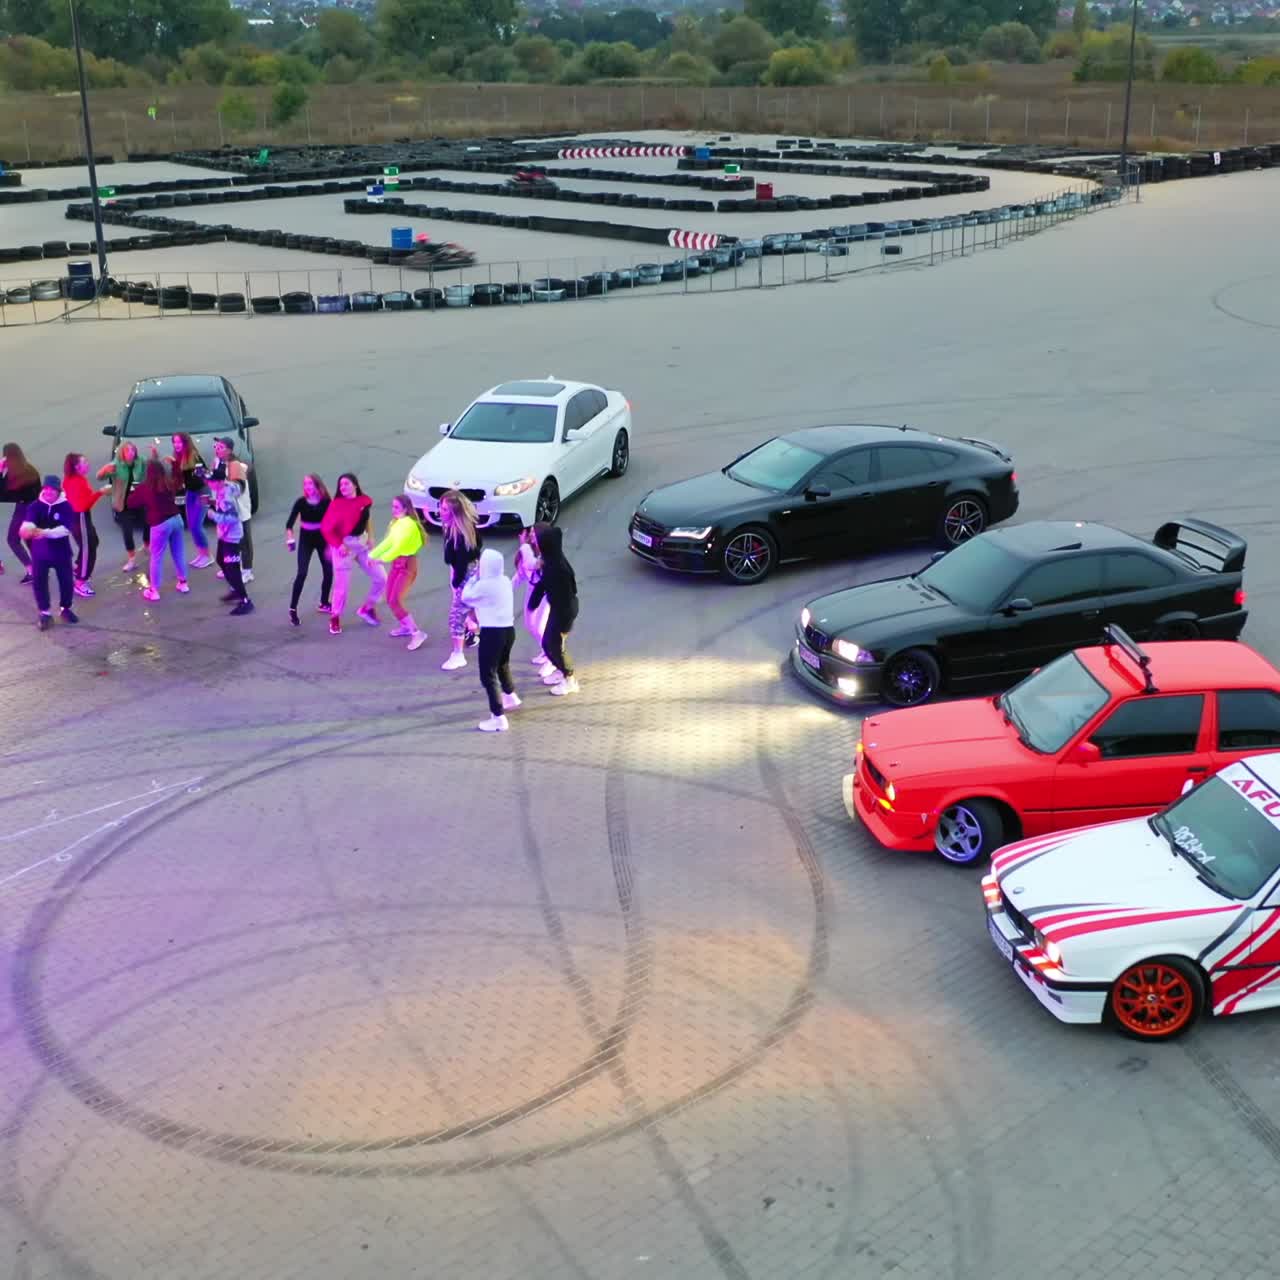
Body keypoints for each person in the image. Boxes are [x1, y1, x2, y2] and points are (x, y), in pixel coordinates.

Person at [462, 547, 520, 732]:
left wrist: (473, 577)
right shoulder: (503, 580)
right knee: (502, 665)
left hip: (492, 633)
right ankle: (510, 695)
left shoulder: (484, 585)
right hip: (508, 631)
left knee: (488, 675)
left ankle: (498, 717)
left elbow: (466, 596)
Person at [320, 473, 384, 636]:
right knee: (342, 586)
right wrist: (339, 546)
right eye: (341, 485)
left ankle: (367, 608)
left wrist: (370, 536)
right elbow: (327, 529)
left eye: (347, 483)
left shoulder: (364, 501)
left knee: (381, 578)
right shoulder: (336, 504)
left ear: (355, 485)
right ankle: (335, 617)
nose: (343, 487)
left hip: (362, 544)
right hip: (344, 547)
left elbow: (366, 520)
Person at [370, 495, 428, 651]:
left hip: (407, 565)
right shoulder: (396, 523)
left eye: (396, 507)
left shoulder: (408, 525)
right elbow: (388, 542)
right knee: (389, 598)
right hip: (397, 564)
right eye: (392, 506)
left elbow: (399, 547)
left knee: (395, 600)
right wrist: (372, 555)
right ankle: (405, 626)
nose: (393, 510)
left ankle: (416, 633)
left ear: (405, 508)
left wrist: (381, 559)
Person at [19, 475, 78, 630]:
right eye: (46, 489)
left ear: (59, 491)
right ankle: (45, 613)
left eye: (52, 489)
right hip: (40, 553)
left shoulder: (66, 506)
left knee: (66, 581)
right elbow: (28, 524)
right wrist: (25, 529)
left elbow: (64, 530)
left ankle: (66, 608)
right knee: (39, 583)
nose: (48, 492)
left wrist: (43, 532)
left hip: (61, 552)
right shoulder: (35, 506)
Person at [127, 457, 189, 601]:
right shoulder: (168, 483)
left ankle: (154, 590)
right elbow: (179, 478)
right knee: (178, 553)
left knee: (156, 557)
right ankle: (183, 583)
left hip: (160, 524)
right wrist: (174, 463)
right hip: (177, 519)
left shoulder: (145, 488)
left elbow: (131, 503)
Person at [529, 523, 580, 696]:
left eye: (534, 537)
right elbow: (544, 585)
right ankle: (561, 672)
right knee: (548, 644)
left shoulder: (556, 566)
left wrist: (536, 600)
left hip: (564, 611)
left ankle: (569, 679)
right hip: (560, 609)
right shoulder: (551, 559)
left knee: (555, 646)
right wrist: (535, 601)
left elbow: (550, 585)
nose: (532, 540)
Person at [439, 489, 483, 671]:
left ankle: (458, 654)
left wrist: (457, 585)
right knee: (472, 609)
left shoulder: (460, 535)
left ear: (454, 513)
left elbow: (462, 564)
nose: (440, 511)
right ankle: (478, 631)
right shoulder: (454, 529)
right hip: (468, 572)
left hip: (465, 574)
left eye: (444, 509)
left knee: (456, 616)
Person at [285, 474, 333, 626]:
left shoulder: (326, 501)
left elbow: (332, 523)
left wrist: (331, 545)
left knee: (329, 570)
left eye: (310, 484)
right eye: (305, 484)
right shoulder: (301, 502)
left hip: (322, 538)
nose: (307, 487)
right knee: (302, 573)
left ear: (317, 485)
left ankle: (324, 602)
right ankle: (292, 608)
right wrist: (290, 538)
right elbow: (289, 524)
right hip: (306, 539)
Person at [204, 473, 254, 616]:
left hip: (231, 537)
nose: (209, 484)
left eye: (211, 481)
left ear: (219, 482)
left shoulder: (226, 497)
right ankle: (235, 589)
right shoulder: (225, 488)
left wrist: (213, 515)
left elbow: (232, 517)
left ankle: (245, 600)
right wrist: (213, 503)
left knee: (232, 569)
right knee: (221, 560)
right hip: (225, 536)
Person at [62, 452, 109, 598]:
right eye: (84, 462)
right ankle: (80, 582)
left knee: (92, 542)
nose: (88, 464)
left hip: (79, 517)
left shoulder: (75, 479)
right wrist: (100, 492)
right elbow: (82, 506)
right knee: (89, 548)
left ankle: (78, 568)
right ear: (77, 467)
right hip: (80, 517)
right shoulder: (77, 482)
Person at [97, 442, 148, 572]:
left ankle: (147, 544)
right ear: (122, 453)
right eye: (128, 450)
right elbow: (99, 477)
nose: (131, 452)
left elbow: (147, 473)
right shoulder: (115, 465)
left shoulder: (140, 461)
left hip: (138, 500)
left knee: (149, 522)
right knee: (127, 531)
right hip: (123, 503)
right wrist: (104, 471)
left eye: (133, 450)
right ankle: (131, 559)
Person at [211, 436, 254, 583]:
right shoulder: (218, 463)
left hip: (239, 510)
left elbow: (238, 488)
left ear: (229, 450)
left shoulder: (235, 465)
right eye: (216, 447)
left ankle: (247, 570)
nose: (217, 449)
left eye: (221, 447)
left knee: (243, 542)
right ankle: (229, 567)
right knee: (225, 541)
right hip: (224, 510)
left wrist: (224, 486)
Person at [167, 432, 213, 569]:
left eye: (179, 442)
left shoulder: (193, 456)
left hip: (202, 492)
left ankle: (208, 556)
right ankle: (201, 554)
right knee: (192, 525)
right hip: (191, 493)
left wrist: (177, 468)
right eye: (174, 442)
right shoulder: (179, 457)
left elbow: (199, 478)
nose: (176, 445)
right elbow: (179, 478)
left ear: (185, 443)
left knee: (197, 525)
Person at [515, 524, 553, 679]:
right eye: (530, 533)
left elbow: (532, 564)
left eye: (533, 533)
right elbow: (521, 573)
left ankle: (552, 659)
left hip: (546, 593)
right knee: (530, 625)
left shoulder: (546, 555)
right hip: (532, 591)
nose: (531, 536)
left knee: (539, 626)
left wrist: (523, 546)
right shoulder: (528, 551)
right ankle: (545, 652)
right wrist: (506, 589)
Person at [0, 442, 42, 584]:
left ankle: (32, 570)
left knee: (13, 539)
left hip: (23, 509)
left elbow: (2, 495)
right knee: (29, 539)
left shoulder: (14, 476)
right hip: (36, 508)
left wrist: (0, 471)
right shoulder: (30, 470)